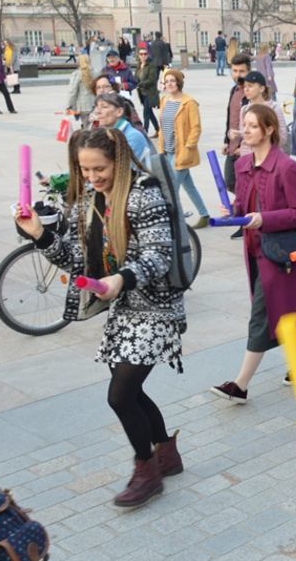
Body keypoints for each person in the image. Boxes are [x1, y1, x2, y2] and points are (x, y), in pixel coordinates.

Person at [14, 128, 186, 508]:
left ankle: (147, 470)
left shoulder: (144, 192)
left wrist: (120, 279)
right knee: (132, 391)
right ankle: (167, 454)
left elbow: (159, 255)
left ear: (119, 161)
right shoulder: (88, 202)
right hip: (123, 307)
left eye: (99, 168)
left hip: (157, 307)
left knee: (120, 395)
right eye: (85, 169)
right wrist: (39, 234)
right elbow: (77, 260)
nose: (92, 177)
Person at [210, 106, 296, 405]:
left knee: (262, 314)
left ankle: (240, 385)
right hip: (255, 250)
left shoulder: (287, 167)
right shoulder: (244, 164)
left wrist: (264, 219)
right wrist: (232, 211)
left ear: (269, 130)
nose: (246, 130)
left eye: (253, 126)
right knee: (287, 312)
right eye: (244, 125)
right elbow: (244, 206)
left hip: (280, 253)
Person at [157, 69, 209, 228]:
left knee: (171, 188)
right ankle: (204, 214)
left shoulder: (189, 103)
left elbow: (196, 128)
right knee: (189, 186)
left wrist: (188, 147)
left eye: (172, 80)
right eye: (167, 81)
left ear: (179, 82)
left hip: (182, 152)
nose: (169, 84)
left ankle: (172, 221)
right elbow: (162, 126)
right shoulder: (164, 100)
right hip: (168, 150)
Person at [236, 72, 288, 156]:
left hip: (270, 157)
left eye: (250, 86)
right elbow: (245, 135)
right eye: (245, 86)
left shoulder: (273, 108)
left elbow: (282, 136)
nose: (246, 89)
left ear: (261, 88)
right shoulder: (244, 109)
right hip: (248, 157)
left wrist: (262, 144)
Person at [92, 94, 152, 168]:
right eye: (96, 107)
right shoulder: (104, 133)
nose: (98, 111)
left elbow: (121, 170)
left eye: (104, 107)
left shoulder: (133, 137)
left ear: (119, 112)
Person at [221, 53, 252, 192]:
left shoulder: (252, 92)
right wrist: (226, 141)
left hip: (246, 150)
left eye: (241, 71)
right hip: (232, 148)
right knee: (230, 183)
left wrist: (244, 146)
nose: (237, 74)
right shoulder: (234, 90)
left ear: (249, 71)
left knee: (247, 187)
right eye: (234, 71)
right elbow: (230, 119)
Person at [135, 45, 160, 137]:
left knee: (146, 112)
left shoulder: (151, 65)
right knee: (149, 113)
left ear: (148, 55)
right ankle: (158, 130)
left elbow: (152, 79)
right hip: (142, 93)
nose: (143, 56)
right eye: (141, 54)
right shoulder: (139, 65)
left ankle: (144, 131)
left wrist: (140, 84)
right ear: (138, 55)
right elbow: (136, 78)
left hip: (150, 92)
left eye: (145, 54)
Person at [66, 55, 97, 129]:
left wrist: (69, 105)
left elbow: (72, 91)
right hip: (95, 104)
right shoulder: (95, 72)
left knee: (86, 125)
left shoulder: (77, 74)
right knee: (94, 125)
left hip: (83, 106)